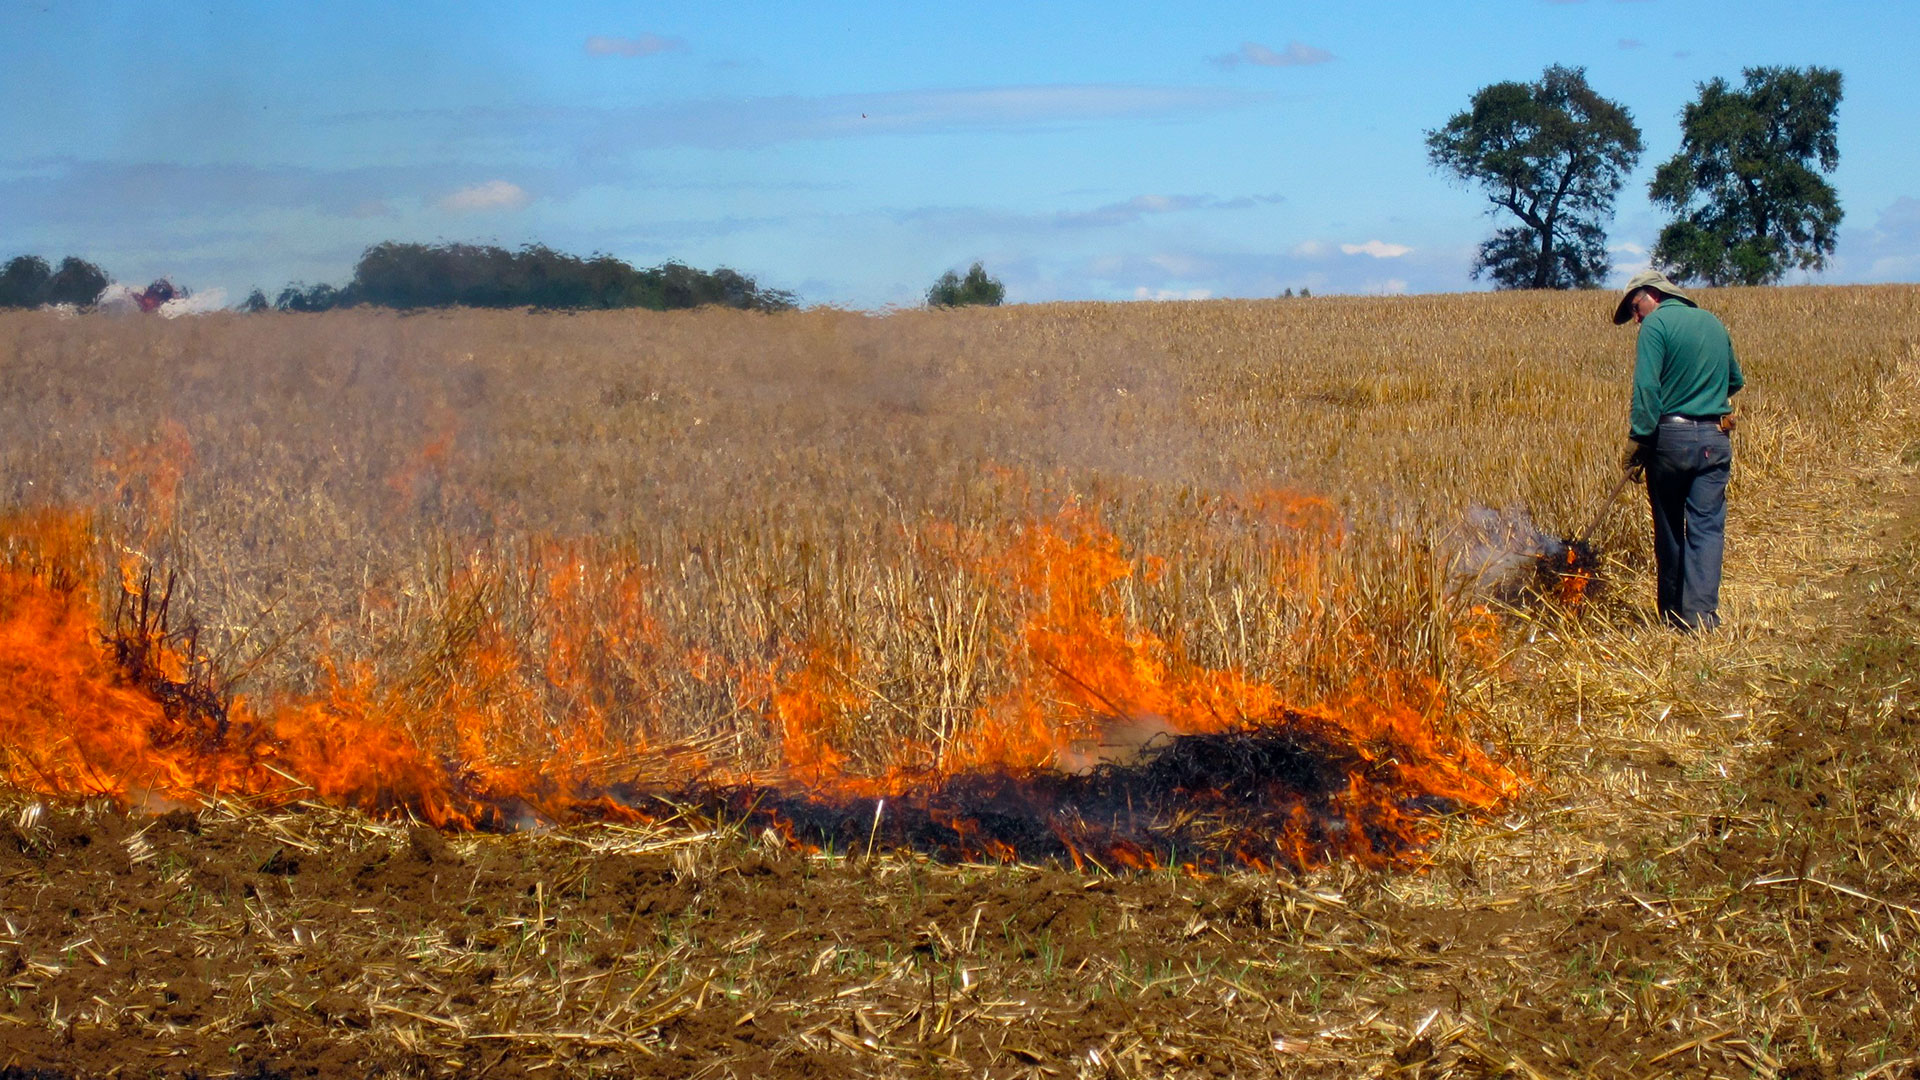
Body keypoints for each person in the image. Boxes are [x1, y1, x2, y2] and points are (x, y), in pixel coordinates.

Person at [1613, 269, 1744, 631]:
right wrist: (1704, 397)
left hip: (1671, 438)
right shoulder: (1712, 322)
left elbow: (1646, 390)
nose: (1636, 318)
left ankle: (1672, 615)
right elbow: (1735, 380)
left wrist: (1639, 439)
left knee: (1670, 526)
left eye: (1635, 307)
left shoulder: (1656, 327)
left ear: (1652, 294)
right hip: (1717, 439)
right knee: (1707, 527)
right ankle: (1702, 617)